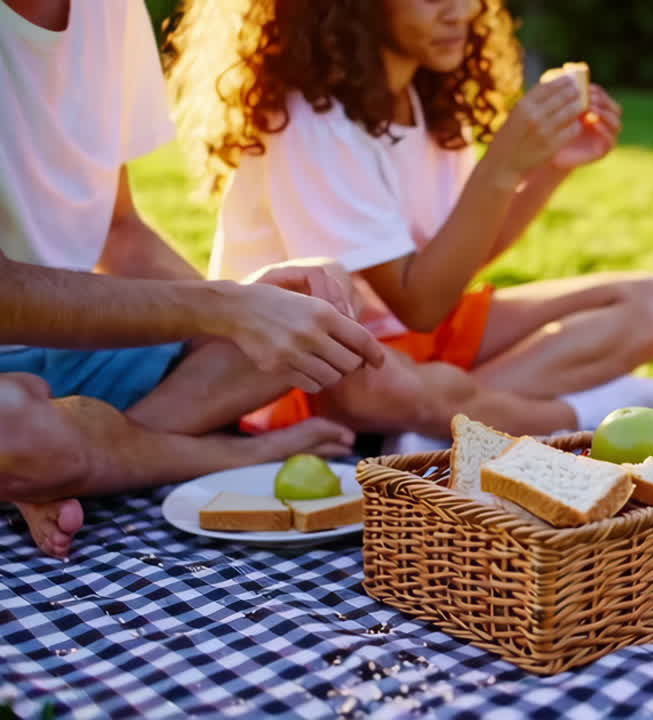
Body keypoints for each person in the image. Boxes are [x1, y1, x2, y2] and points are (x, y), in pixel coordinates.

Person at [166, 0, 653, 442]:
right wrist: (502, 165)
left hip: (423, 346)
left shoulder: (426, 100)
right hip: (317, 370)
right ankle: (576, 415)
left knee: (652, 303)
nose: (460, 11)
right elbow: (418, 304)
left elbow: (457, 259)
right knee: (381, 388)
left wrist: (548, 169)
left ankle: (439, 423)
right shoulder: (310, 123)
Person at [0, 0, 387, 556]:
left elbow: (119, 230)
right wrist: (222, 308)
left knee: (316, 300)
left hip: (85, 357)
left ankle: (78, 458)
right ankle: (229, 454)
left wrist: (249, 309)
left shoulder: (111, 10)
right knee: (21, 430)